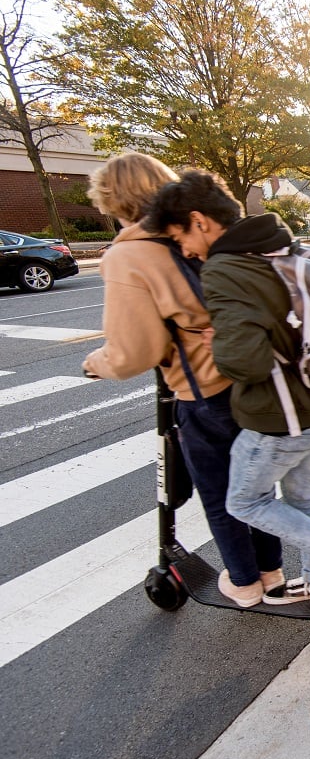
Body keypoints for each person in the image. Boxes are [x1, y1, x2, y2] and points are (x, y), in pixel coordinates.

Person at [145, 169, 310, 604]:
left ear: (199, 221)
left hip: (281, 415)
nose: (185, 250)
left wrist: (219, 342)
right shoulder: (274, 243)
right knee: (301, 493)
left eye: (180, 238)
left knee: (243, 503)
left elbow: (247, 364)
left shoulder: (225, 268)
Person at [82, 153, 283, 608]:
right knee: (255, 486)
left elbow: (136, 351)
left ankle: (245, 584)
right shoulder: (200, 231)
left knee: (220, 494)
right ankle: (272, 573)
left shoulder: (129, 255)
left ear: (113, 200)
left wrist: (97, 363)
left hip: (204, 391)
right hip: (251, 379)